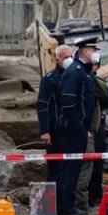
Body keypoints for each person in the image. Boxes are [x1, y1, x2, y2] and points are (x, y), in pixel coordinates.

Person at [57, 39, 100, 215]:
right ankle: (66, 210)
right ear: (86, 52)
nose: (96, 53)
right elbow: (68, 102)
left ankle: (70, 208)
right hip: (74, 130)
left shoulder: (84, 71)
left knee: (74, 170)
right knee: (70, 170)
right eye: (93, 49)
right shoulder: (75, 72)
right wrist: (78, 126)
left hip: (81, 127)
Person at [75, 56, 108, 212]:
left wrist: (92, 77)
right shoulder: (78, 79)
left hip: (96, 127)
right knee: (84, 165)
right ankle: (83, 200)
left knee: (97, 164)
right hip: (84, 128)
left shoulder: (97, 81)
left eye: (95, 64)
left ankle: (95, 197)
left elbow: (106, 95)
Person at [36, 44, 73, 186]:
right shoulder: (50, 79)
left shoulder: (77, 76)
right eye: (65, 57)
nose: (69, 60)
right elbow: (42, 105)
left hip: (73, 130)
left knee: (72, 169)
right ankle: (55, 204)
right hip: (57, 130)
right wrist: (45, 131)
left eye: (71, 56)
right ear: (57, 59)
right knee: (56, 169)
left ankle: (69, 204)